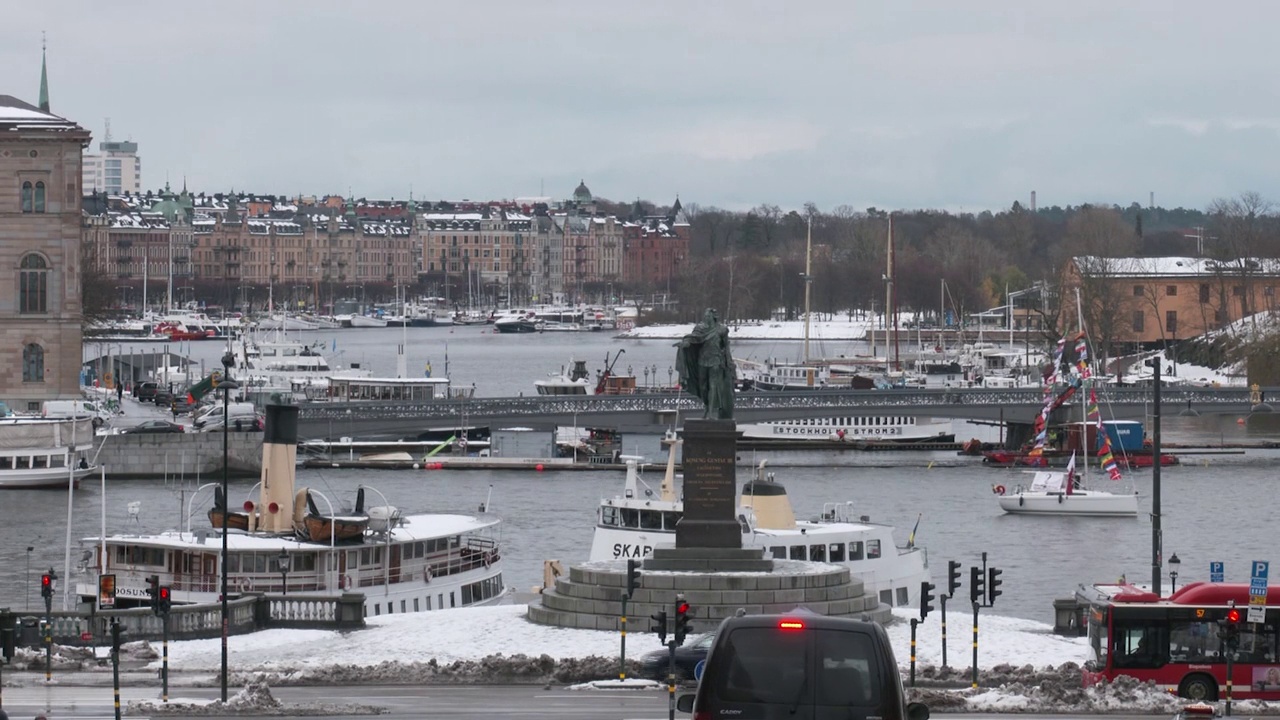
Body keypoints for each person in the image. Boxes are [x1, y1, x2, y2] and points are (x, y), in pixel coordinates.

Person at [674, 308, 735, 420]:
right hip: (702, 361)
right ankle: (707, 406)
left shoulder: (722, 330)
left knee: (713, 385)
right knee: (703, 386)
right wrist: (685, 344)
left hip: (716, 361)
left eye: (708, 316)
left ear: (713, 317)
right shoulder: (700, 329)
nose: (706, 318)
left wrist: (729, 363)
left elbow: (726, 347)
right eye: (705, 316)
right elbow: (693, 339)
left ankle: (711, 412)